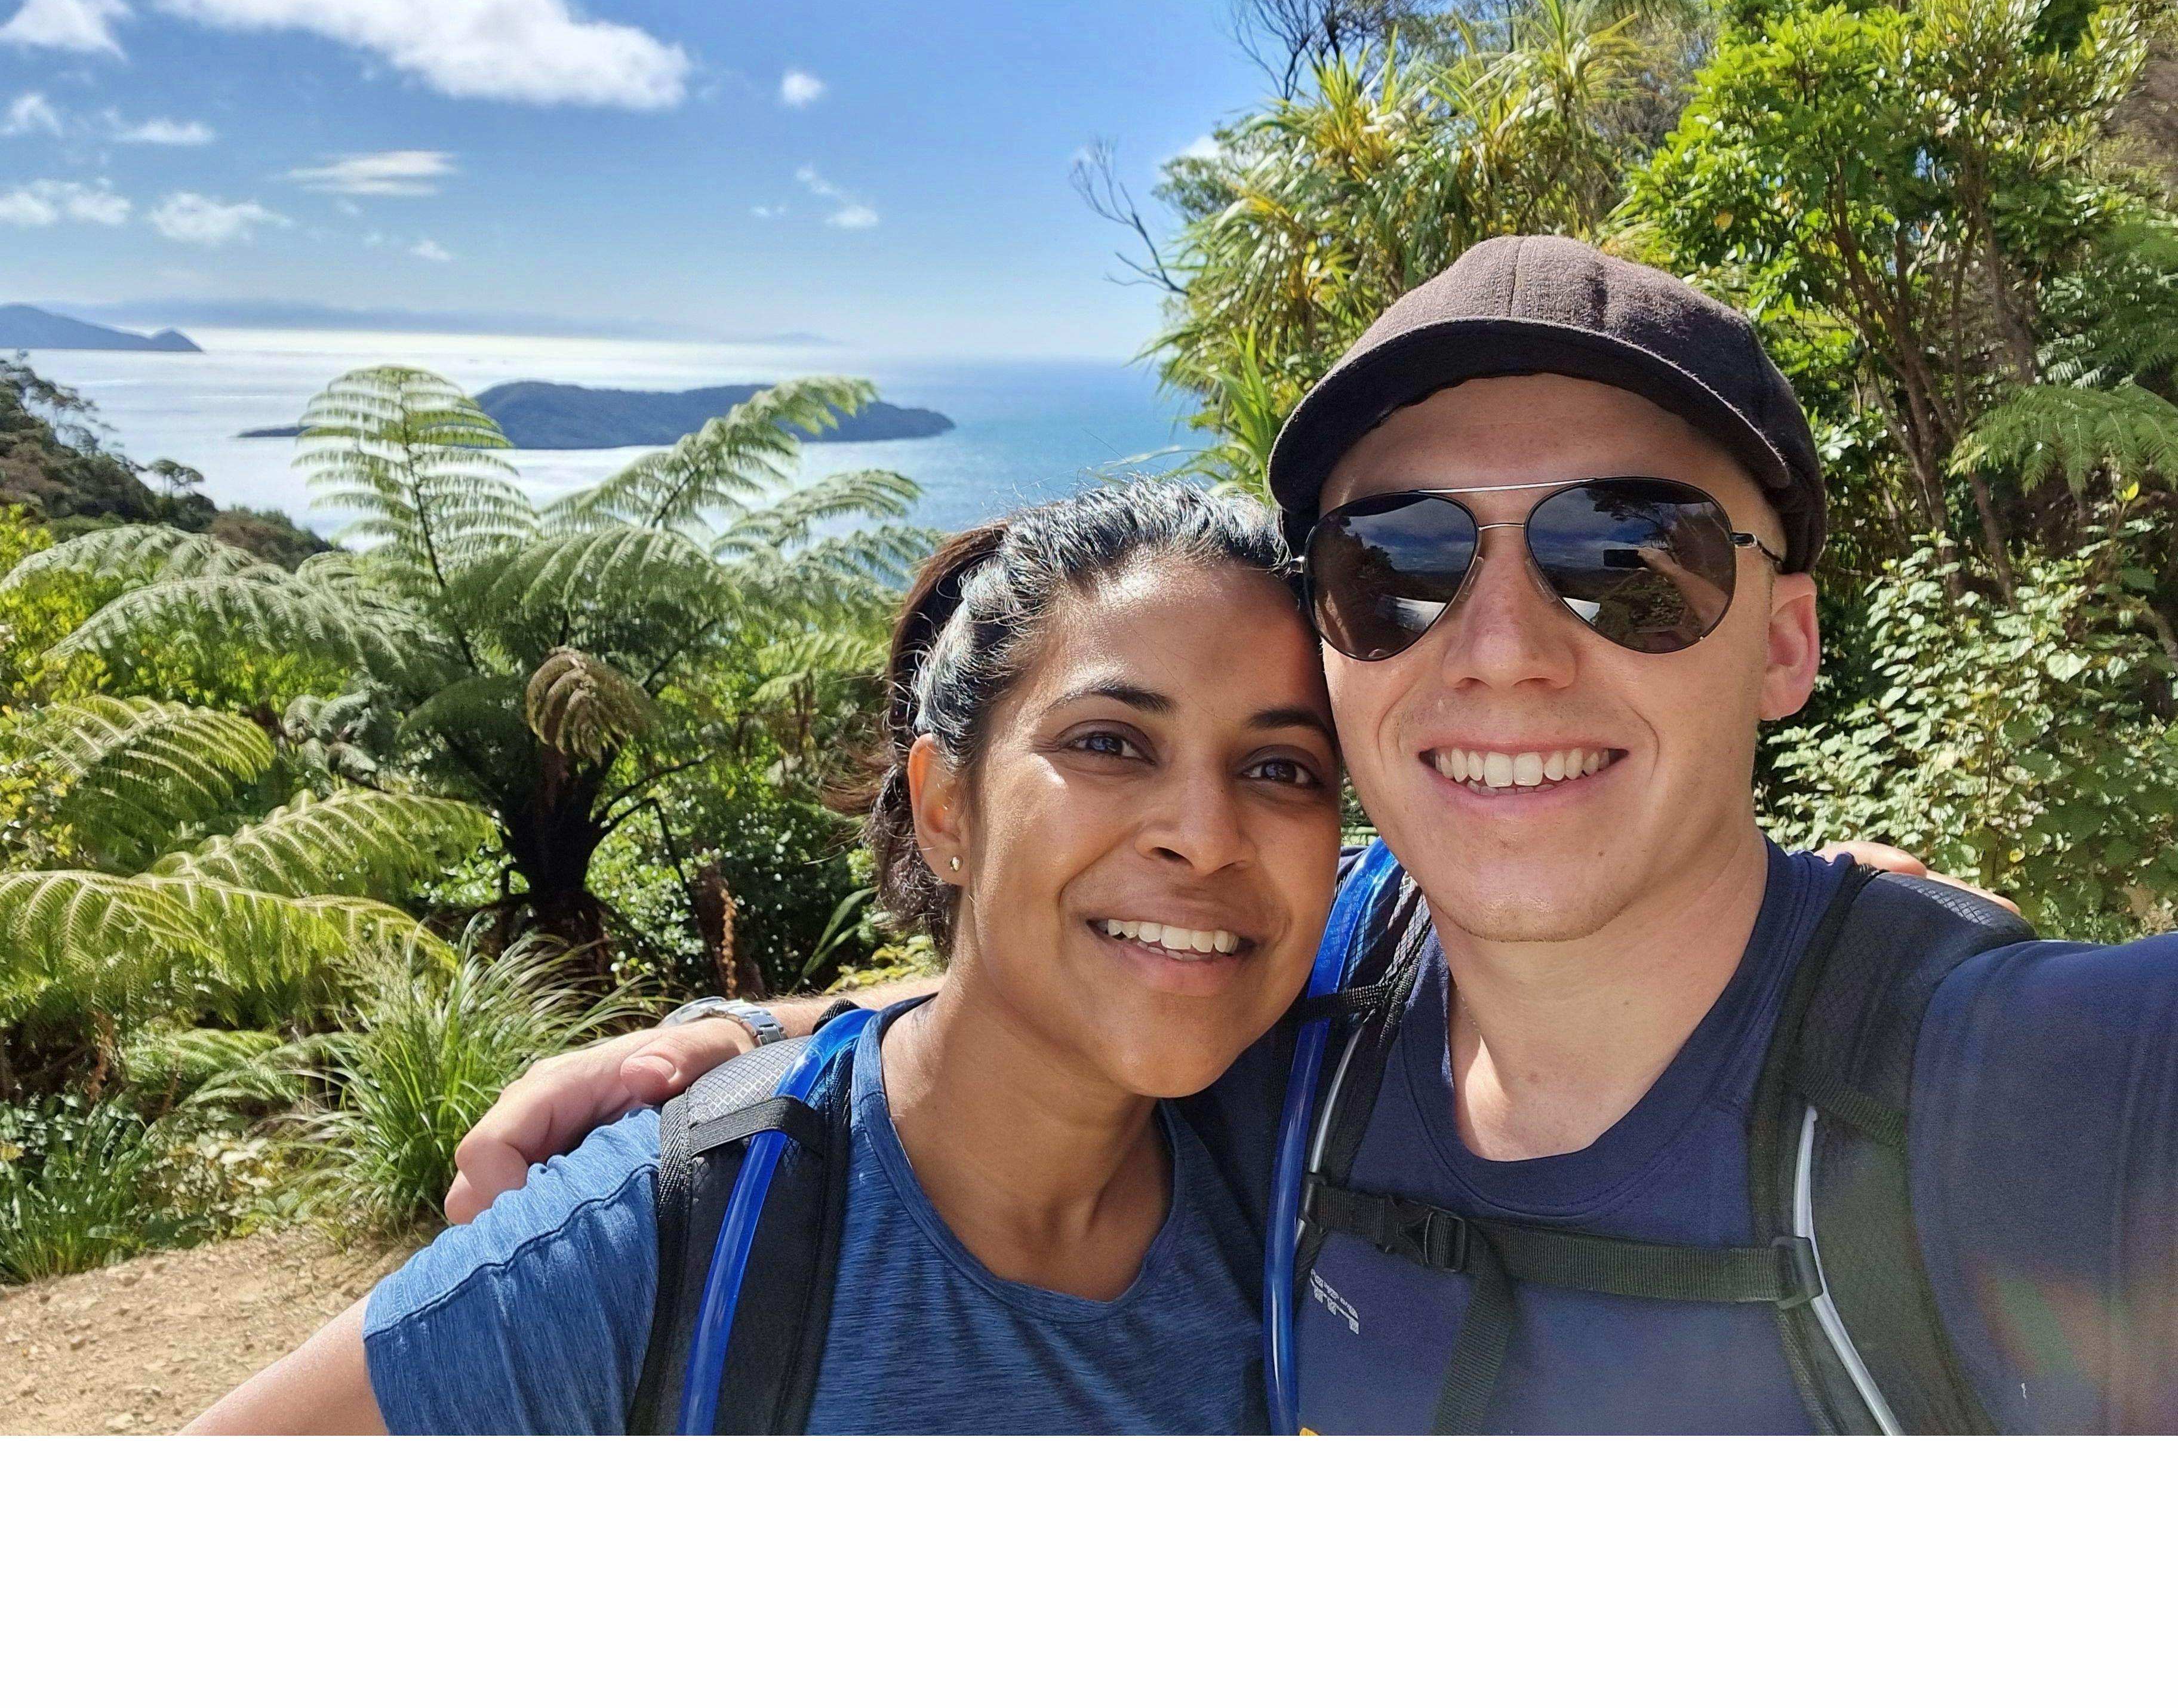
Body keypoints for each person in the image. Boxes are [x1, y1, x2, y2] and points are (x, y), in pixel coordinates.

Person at [470, 236, 2178, 1434]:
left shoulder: (2043, 1099)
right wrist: (752, 1037)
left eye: (1630, 555)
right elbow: (1092, 955)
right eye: (1403, 566)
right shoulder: (1317, 1011)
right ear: (1342, 661)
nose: (1501, 645)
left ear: (1788, 639)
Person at [187, 482, 1347, 1433]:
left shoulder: (1303, 1173)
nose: (1203, 834)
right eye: (1109, 742)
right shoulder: (668, 1240)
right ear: (946, 810)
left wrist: (748, 1023)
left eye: (1283, 767)